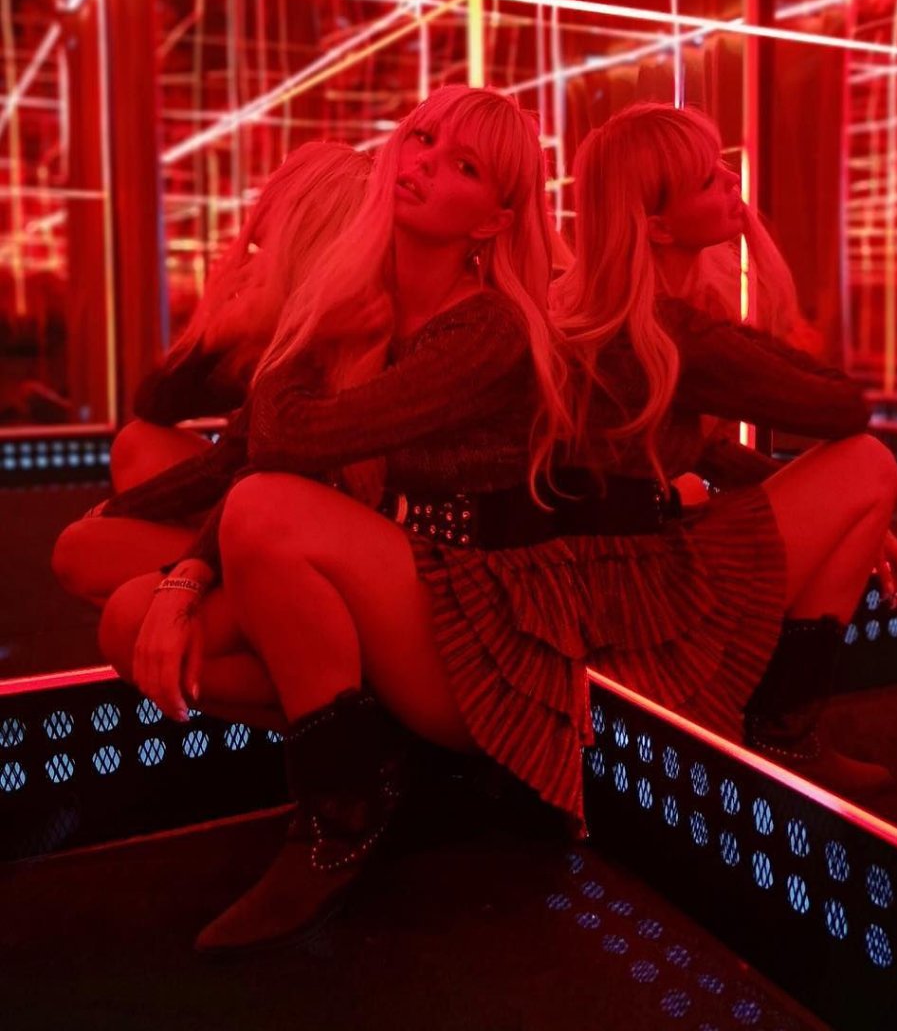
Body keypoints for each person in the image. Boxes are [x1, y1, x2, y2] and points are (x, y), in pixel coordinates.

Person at [99, 85, 583, 951]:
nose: (424, 163)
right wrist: (186, 580)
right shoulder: (372, 301)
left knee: (267, 508)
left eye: (464, 166)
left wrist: (315, 326)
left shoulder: (488, 328)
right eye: (422, 138)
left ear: (492, 222)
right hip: (402, 598)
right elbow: (262, 447)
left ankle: (341, 817)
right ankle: (377, 758)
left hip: (487, 639)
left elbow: (281, 445)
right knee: (128, 619)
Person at [551, 100, 897, 788]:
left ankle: (782, 728)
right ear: (658, 226)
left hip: (599, 584)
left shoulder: (611, 316)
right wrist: (770, 278)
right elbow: (845, 408)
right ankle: (786, 734)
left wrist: (860, 523)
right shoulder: (675, 332)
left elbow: (710, 451)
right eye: (707, 179)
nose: (731, 181)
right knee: (870, 464)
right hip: (643, 589)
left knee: (855, 486)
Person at [51, 142, 370, 606]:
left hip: (309, 543)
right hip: (270, 513)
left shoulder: (333, 325)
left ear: (306, 225)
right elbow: (157, 403)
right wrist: (219, 335)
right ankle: (214, 598)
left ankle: (222, 601)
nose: (259, 211)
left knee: (84, 556)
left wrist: (117, 512)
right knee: (137, 444)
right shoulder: (293, 307)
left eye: (277, 193)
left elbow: (236, 464)